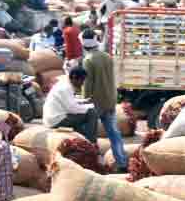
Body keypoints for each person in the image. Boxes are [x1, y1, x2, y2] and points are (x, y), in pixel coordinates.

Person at [80, 30, 127, 171]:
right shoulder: (107, 57)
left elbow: (87, 85)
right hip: (110, 100)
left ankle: (93, 164)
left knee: (89, 135)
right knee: (114, 133)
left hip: (95, 103)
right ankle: (122, 162)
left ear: (84, 45)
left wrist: (83, 101)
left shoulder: (88, 60)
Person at [44, 66, 97, 143]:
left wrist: (83, 101)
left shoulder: (64, 84)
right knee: (92, 113)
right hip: (56, 120)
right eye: (82, 80)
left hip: (56, 117)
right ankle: (92, 141)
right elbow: (72, 108)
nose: (82, 83)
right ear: (74, 78)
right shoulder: (65, 87)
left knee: (80, 118)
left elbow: (68, 101)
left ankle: (83, 138)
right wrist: (90, 106)